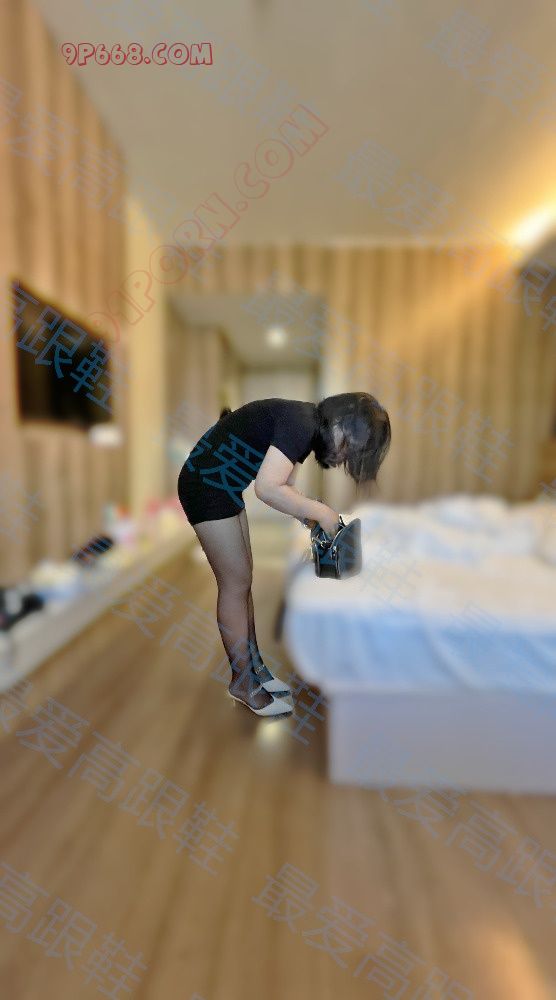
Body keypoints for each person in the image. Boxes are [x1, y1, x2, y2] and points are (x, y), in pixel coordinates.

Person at [177, 393, 391, 716]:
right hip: (205, 486)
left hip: (223, 485)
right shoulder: (301, 423)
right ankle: (242, 683)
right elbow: (267, 488)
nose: (342, 457)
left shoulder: (304, 426)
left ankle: (254, 670)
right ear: (341, 423)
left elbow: (284, 488)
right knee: (234, 584)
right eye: (347, 446)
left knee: (242, 581)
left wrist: (311, 518)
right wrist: (323, 513)